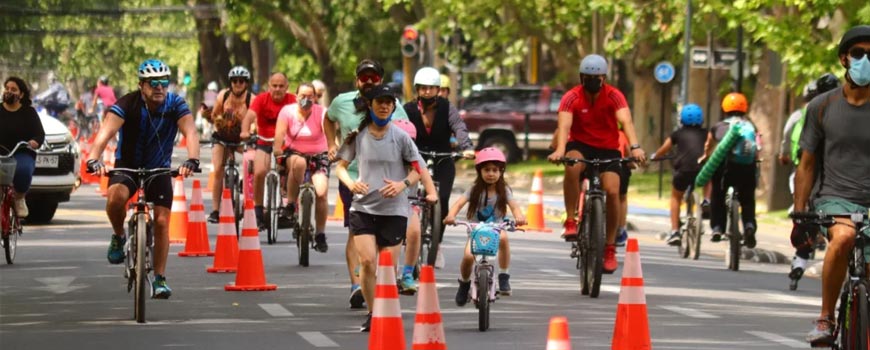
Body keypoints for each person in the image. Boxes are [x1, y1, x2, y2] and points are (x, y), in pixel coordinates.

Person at [85, 59, 201, 299]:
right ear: (141, 85)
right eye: (153, 83)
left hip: (159, 168)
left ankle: (159, 278)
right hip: (127, 165)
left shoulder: (175, 104)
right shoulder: (127, 103)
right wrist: (94, 159)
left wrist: (193, 159)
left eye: (164, 83)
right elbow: (105, 134)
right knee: (115, 199)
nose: (159, 87)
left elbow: (190, 131)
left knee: (161, 222)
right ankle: (118, 235)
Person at [334, 84, 435, 332]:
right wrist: (350, 183)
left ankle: (386, 308)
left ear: (393, 106)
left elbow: (417, 169)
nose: (385, 105)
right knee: (368, 262)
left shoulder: (400, 138)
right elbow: (340, 167)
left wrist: (403, 185)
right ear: (370, 105)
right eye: (380, 101)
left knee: (387, 268)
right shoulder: (358, 135)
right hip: (363, 208)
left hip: (394, 211)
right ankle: (372, 312)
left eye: (389, 102)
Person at [792, 25, 870, 345]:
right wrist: (800, 215)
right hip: (834, 198)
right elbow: (807, 164)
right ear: (844, 60)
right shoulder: (821, 107)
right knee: (844, 237)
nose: (866, 60)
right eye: (859, 54)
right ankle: (826, 317)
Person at [547, 54, 647, 274]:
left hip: (608, 148)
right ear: (581, 77)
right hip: (580, 144)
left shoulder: (615, 96)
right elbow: (564, 126)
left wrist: (636, 146)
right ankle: (571, 220)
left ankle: (609, 248)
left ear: (604, 77)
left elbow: (626, 121)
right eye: (588, 77)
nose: (593, 82)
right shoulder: (571, 97)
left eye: (597, 78)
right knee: (572, 166)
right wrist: (560, 150)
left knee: (613, 191)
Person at [324, 59, 410, 309]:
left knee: (384, 240)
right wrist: (332, 144)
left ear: (380, 81)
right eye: (364, 77)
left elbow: (407, 131)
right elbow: (328, 120)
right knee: (355, 231)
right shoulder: (342, 102)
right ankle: (356, 285)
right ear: (357, 80)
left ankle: (380, 283)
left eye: (374, 77)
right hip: (353, 178)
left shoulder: (393, 105)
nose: (369, 81)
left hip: (385, 182)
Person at [404, 67, 475, 261]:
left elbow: (459, 126)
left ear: (438, 89)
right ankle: (406, 235)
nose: (427, 91)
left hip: (443, 157)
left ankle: (438, 242)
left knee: (442, 200)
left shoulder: (447, 108)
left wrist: (466, 146)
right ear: (417, 89)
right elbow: (399, 129)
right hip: (415, 159)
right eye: (423, 88)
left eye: (431, 88)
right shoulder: (408, 109)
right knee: (407, 199)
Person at [780, 73, 839, 287]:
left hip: (809, 171)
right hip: (829, 172)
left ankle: (800, 260)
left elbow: (791, 142)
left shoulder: (803, 112)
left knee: (808, 216)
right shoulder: (838, 109)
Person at [444, 147, 526, 303]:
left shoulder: (504, 190)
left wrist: (519, 216)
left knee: (504, 239)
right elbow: (458, 203)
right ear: (479, 171)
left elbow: (514, 206)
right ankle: (464, 283)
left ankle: (503, 276)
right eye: (486, 170)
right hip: (476, 229)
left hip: (496, 228)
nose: (491, 174)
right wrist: (450, 216)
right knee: (468, 256)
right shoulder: (474, 189)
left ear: (501, 171)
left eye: (495, 170)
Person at [273, 83, 329, 252]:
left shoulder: (322, 112)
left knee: (321, 192)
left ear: (315, 97)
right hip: (294, 152)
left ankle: (320, 234)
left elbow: (330, 133)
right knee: (299, 163)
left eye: (310, 96)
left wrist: (334, 149)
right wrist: (277, 149)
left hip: (319, 155)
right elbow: (280, 134)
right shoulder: (287, 111)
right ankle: (290, 204)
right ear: (296, 96)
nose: (306, 99)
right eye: (302, 96)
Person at [701, 92, 759, 247]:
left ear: (724, 109)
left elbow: (709, 146)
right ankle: (749, 225)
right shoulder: (751, 127)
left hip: (725, 169)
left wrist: (705, 157)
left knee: (718, 196)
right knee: (747, 199)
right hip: (746, 167)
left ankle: (718, 228)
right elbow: (757, 148)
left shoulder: (718, 127)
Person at [241, 73, 296, 229]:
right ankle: (258, 212)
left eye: (281, 86)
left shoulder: (292, 100)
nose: (277, 89)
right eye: (274, 85)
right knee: (259, 172)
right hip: (264, 142)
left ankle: (291, 206)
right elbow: (248, 117)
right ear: (268, 86)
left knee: (295, 168)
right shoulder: (261, 99)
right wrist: (245, 131)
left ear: (287, 87)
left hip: (287, 144)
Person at [390, 118, 438, 295]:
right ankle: (370, 265)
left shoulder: (416, 160)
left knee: (415, 231)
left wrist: (432, 194)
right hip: (382, 204)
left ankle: (408, 273)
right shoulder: (383, 157)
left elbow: (425, 178)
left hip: (408, 203)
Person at [650, 104, 709, 245]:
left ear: (681, 119)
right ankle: (707, 200)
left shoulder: (677, 134)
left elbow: (665, 148)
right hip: (701, 170)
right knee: (709, 176)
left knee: (676, 197)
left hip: (683, 171)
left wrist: (655, 156)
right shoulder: (706, 133)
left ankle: (675, 231)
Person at [206, 66, 254, 223]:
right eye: (234, 81)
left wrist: (249, 129)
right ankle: (214, 210)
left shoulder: (251, 99)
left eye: (241, 81)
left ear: (246, 83)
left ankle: (248, 200)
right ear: (230, 83)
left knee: (252, 162)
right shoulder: (223, 95)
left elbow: (256, 122)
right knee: (218, 169)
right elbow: (214, 115)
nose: (238, 84)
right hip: (223, 137)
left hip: (242, 138)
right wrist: (220, 120)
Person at [1, 77, 45, 218]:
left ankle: (19, 198)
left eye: (13, 89)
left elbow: (39, 134)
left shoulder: (29, 112)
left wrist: (34, 141)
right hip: (1, 154)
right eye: (7, 88)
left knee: (23, 170)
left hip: (20, 153)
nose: (9, 92)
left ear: (21, 94)